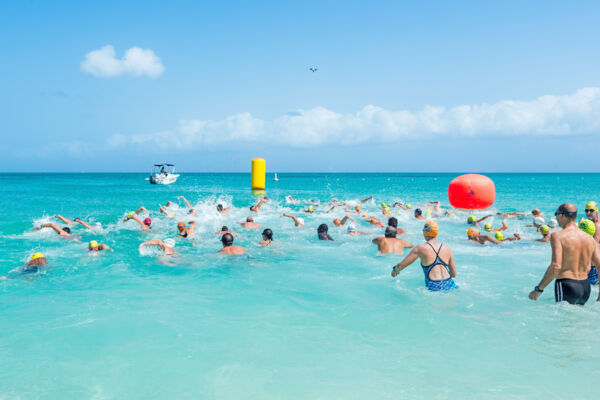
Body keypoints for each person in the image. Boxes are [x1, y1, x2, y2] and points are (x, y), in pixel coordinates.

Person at [529, 203, 600, 305]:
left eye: (556, 214)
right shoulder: (589, 238)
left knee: (561, 320)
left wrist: (538, 289)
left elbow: (556, 266)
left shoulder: (557, 236)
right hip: (585, 287)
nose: (556, 218)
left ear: (561, 215)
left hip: (567, 285)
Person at [391, 221, 458, 291]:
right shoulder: (447, 248)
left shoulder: (420, 248)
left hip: (434, 286)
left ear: (425, 232)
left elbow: (401, 265)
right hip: (450, 284)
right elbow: (453, 274)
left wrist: (395, 270)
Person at [579, 218, 599, 285]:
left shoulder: (584, 247)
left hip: (589, 278)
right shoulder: (596, 245)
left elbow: (587, 267)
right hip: (596, 277)